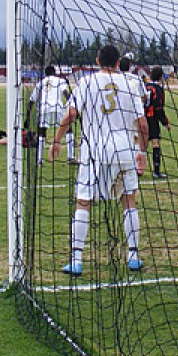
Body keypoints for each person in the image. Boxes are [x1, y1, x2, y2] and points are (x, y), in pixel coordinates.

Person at [49, 44, 148, 276]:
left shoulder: (86, 82)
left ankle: (76, 259)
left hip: (94, 150)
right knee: (129, 201)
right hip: (124, 150)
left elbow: (71, 114)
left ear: (96, 61)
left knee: (83, 202)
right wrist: (141, 153)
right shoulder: (131, 84)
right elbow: (142, 124)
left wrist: (56, 140)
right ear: (118, 63)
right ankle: (133, 255)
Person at [26, 65, 76, 164]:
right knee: (68, 128)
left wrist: (27, 117)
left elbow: (31, 100)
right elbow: (66, 93)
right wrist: (73, 104)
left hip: (44, 108)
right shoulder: (60, 80)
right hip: (58, 107)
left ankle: (39, 159)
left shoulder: (41, 82)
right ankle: (70, 157)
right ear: (55, 72)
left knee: (42, 131)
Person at [145, 66, 172, 179]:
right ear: (161, 77)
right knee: (155, 143)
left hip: (141, 117)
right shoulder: (158, 90)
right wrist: (165, 122)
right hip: (152, 118)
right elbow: (158, 107)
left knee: (139, 144)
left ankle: (135, 169)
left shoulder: (145, 86)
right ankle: (156, 171)